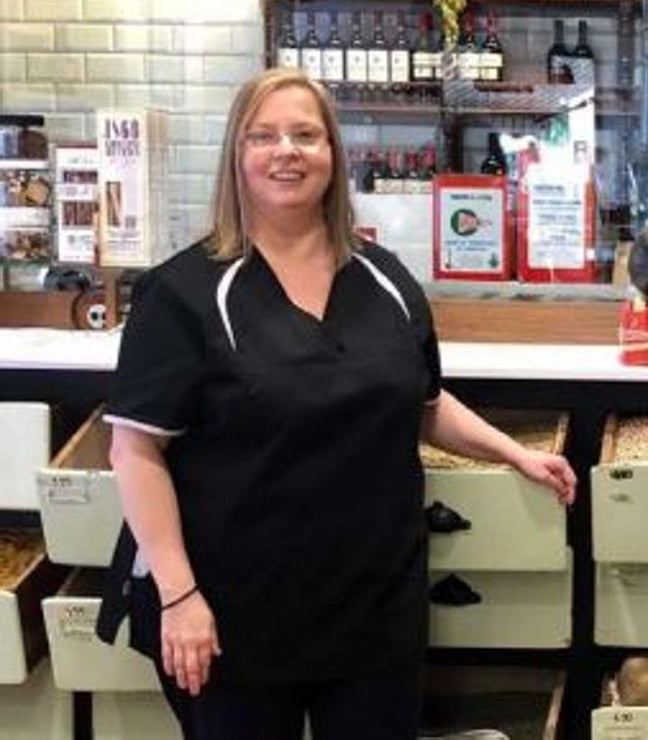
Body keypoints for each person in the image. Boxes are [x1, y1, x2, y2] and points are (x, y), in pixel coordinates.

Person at [95, 67, 576, 740]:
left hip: (371, 606)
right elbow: (136, 450)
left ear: (333, 155)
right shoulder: (184, 293)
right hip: (234, 611)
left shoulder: (385, 280)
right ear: (237, 155)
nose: (286, 151)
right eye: (263, 136)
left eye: (305, 135)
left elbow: (423, 401)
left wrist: (514, 453)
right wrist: (179, 595)